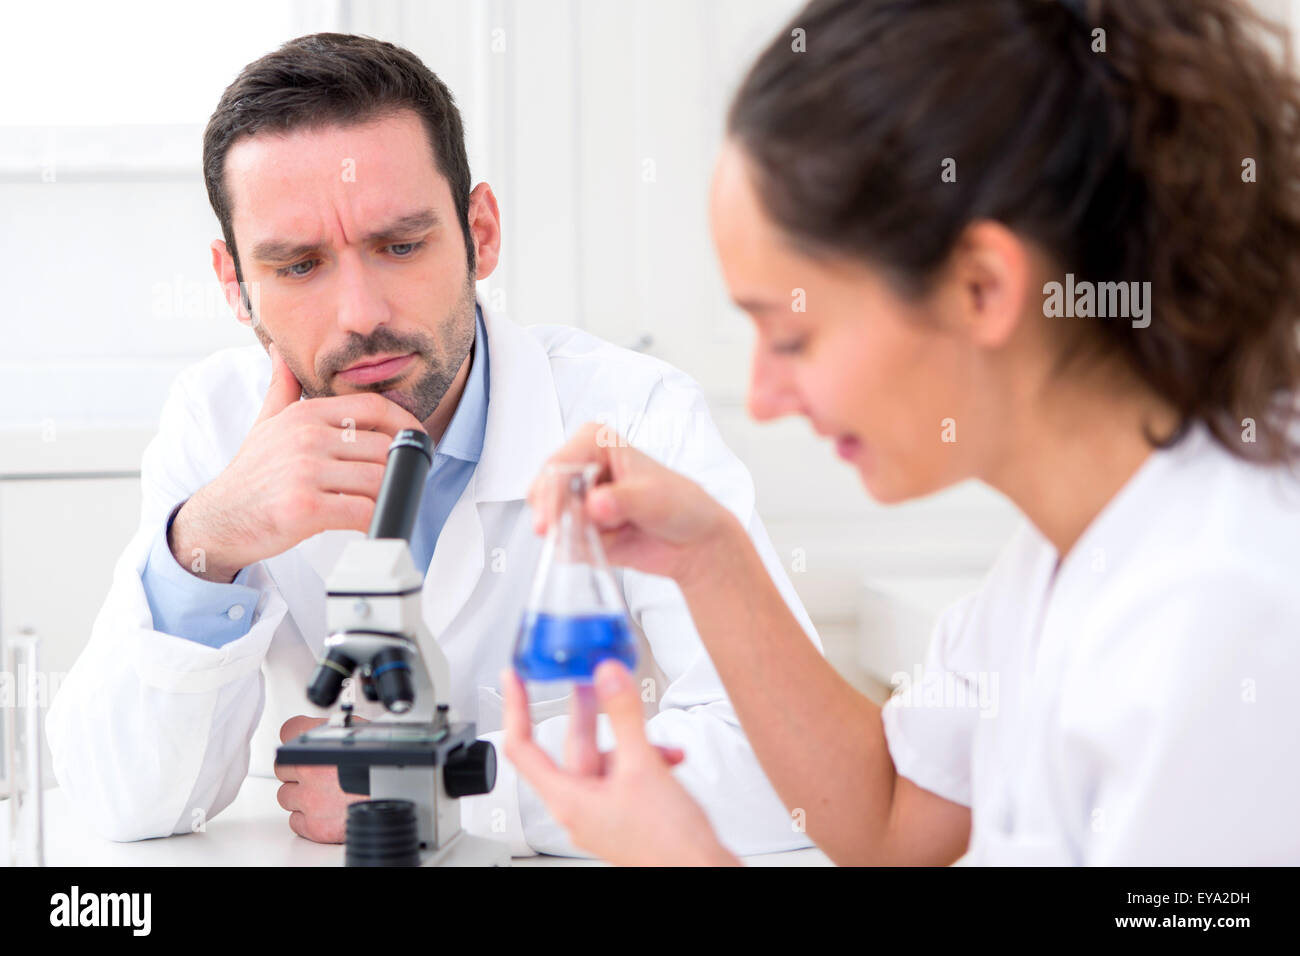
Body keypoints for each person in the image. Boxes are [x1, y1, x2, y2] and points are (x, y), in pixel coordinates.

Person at [503, 0, 1300, 865]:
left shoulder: (1225, 608)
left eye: (794, 335)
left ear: (982, 289)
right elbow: (889, 815)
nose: (763, 398)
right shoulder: (1063, 551)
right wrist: (709, 557)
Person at [44, 33, 822, 858]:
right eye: (299, 266)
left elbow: (793, 765)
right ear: (236, 284)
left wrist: (455, 785)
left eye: (400, 245)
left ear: (480, 232)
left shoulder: (636, 415)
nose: (359, 314)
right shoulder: (213, 422)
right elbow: (124, 799)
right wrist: (208, 541)